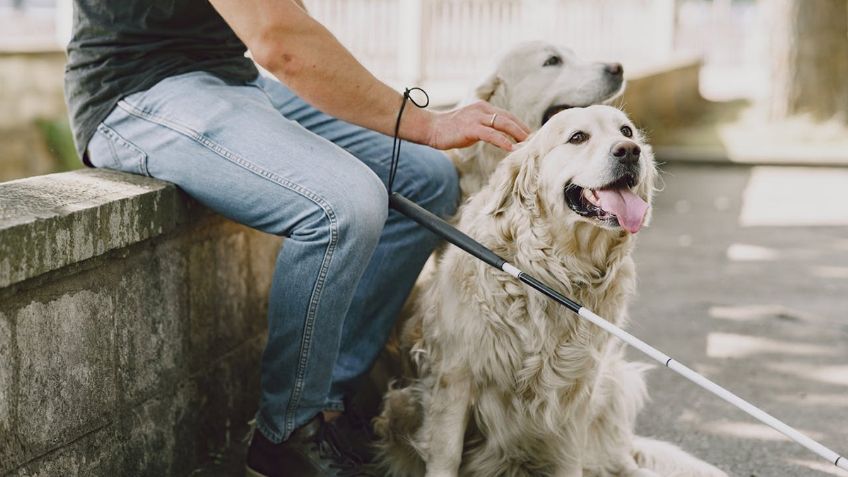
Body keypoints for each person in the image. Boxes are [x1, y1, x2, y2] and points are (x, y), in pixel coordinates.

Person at [64, 1, 529, 475]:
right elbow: (279, 41)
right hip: (139, 88)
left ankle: (328, 401)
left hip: (231, 76)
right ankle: (287, 434)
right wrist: (429, 123)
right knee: (343, 204)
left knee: (427, 178)